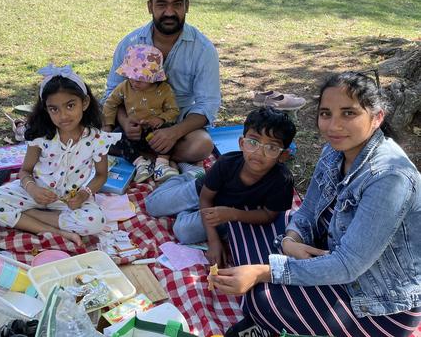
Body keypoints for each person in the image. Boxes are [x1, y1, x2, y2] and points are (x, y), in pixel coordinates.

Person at [210, 72, 421, 337]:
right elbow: (308, 210)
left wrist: (264, 271)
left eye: (348, 113)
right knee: (248, 224)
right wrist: (290, 240)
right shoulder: (334, 151)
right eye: (326, 114)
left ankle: (266, 319)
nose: (334, 126)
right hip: (327, 253)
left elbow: (347, 266)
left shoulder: (390, 177)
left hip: (375, 303)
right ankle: (273, 314)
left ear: (376, 118)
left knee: (262, 297)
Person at [0, 64, 120, 245]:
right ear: (46, 109)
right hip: (33, 194)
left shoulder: (97, 139)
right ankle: (56, 231)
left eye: (70, 105)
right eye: (54, 109)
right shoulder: (41, 137)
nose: (63, 115)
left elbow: (101, 175)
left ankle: (29, 216)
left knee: (96, 222)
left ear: (85, 103)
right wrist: (33, 189)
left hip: (68, 201)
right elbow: (25, 171)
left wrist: (83, 194)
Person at [145, 107, 296, 268]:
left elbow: (268, 215)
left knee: (183, 232)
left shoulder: (282, 180)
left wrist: (234, 214)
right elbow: (205, 197)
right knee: (152, 206)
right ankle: (192, 174)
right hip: (202, 190)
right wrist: (214, 240)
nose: (259, 153)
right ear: (241, 143)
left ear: (283, 156)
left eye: (271, 147)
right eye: (253, 142)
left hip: (226, 211)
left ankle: (187, 206)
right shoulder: (226, 164)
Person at [104, 0, 221, 163]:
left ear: (187, 6)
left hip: (178, 123)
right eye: (161, 4)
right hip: (133, 124)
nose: (169, 12)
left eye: (177, 4)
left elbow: (208, 105)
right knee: (93, 129)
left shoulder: (203, 49)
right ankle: (158, 157)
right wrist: (126, 122)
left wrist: (173, 132)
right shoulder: (130, 43)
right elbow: (111, 93)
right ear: (150, 6)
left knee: (202, 145)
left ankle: (135, 155)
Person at [103, 44, 180, 183]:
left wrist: (161, 119)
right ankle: (140, 164)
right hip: (132, 130)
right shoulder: (125, 87)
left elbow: (173, 110)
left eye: (140, 79)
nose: (134, 82)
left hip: (154, 131)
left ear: (154, 77)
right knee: (117, 137)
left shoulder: (164, 90)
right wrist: (108, 125)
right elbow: (110, 103)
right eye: (131, 77)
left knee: (167, 134)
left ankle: (162, 165)